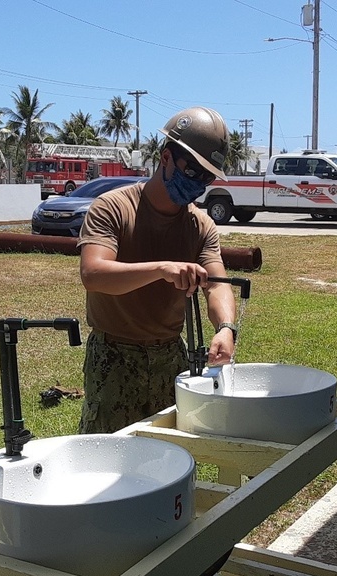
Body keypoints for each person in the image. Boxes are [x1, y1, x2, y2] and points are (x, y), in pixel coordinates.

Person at [76, 106, 238, 434]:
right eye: (192, 172)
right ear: (165, 158)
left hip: (170, 357)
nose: (198, 184)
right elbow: (93, 275)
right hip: (114, 357)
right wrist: (161, 269)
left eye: (207, 177)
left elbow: (218, 283)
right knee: (106, 456)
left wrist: (226, 328)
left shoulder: (200, 225)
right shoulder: (113, 208)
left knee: (167, 456)